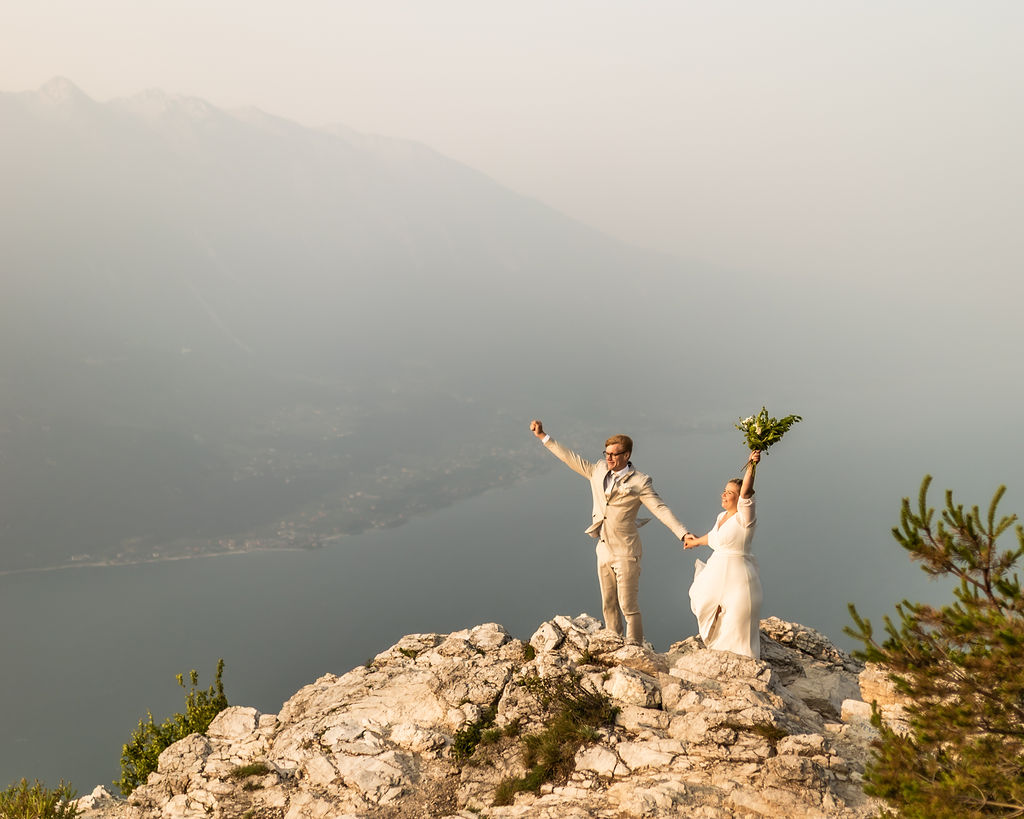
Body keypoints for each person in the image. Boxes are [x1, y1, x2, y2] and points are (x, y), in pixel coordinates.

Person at [529, 419, 691, 646]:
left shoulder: (640, 482)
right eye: (607, 453)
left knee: (629, 606)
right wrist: (543, 436)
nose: (609, 457)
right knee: (608, 602)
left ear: (627, 455)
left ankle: (634, 647)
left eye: (615, 454)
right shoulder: (597, 470)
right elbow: (569, 458)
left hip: (626, 550)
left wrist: (683, 533)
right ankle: (614, 643)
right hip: (603, 548)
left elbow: (660, 509)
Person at [683, 450, 763, 658]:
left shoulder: (745, 517)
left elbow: (747, 492)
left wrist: (751, 465)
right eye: (724, 491)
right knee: (714, 619)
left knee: (736, 629)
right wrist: (695, 542)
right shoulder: (721, 516)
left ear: (739, 498)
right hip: (716, 574)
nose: (724, 494)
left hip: (739, 579)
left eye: (729, 492)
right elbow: (713, 536)